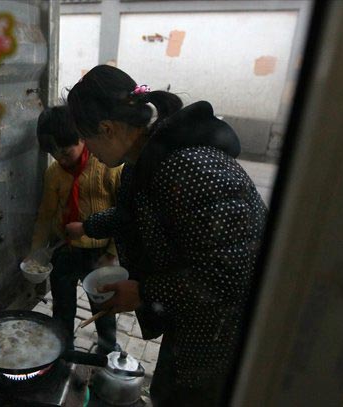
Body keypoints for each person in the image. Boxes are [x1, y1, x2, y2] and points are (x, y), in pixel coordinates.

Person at [64, 65, 267, 406]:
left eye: (88, 138)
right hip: (191, 316)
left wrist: (145, 292)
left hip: (224, 333)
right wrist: (88, 227)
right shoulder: (145, 157)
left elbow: (234, 270)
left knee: (183, 397)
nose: (88, 149)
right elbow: (135, 213)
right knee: (167, 391)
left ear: (107, 128)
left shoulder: (188, 166)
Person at [28, 106, 122, 354]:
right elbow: (45, 215)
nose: (60, 157)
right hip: (64, 250)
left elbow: (124, 215)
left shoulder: (107, 167)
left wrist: (112, 254)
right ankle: (62, 350)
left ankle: (107, 350)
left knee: (103, 307)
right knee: (62, 306)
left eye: (65, 150)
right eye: (53, 152)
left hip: (99, 254)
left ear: (82, 137)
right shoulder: (53, 174)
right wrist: (35, 253)